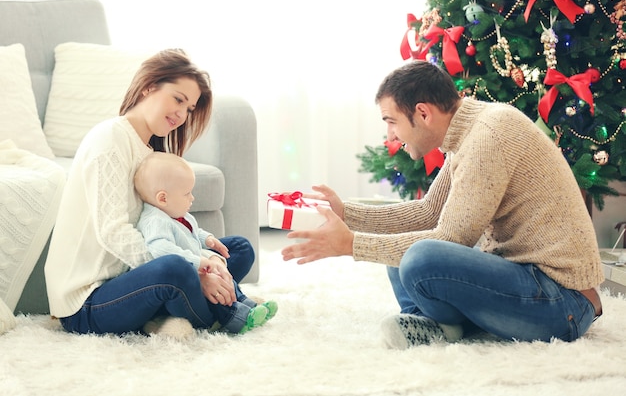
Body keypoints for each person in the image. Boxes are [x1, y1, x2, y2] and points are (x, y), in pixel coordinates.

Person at [281, 60, 604, 349]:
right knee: (408, 244)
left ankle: (438, 325)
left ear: (423, 113)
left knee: (421, 255)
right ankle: (437, 325)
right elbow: (428, 214)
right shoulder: (469, 129)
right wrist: (346, 214)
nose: (390, 135)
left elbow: (451, 238)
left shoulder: (488, 135)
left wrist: (352, 245)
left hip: (562, 302)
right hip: (529, 283)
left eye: (391, 121)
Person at [44, 48, 263, 338]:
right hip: (87, 301)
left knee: (237, 248)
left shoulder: (149, 151)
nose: (182, 114)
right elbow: (113, 233)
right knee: (175, 268)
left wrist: (208, 261)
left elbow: (168, 226)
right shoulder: (111, 139)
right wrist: (199, 270)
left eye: (189, 108)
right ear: (149, 86)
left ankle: (187, 305)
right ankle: (220, 312)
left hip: (131, 278)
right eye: (178, 99)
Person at [134, 151, 277, 334]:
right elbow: (161, 248)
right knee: (213, 285)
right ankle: (235, 318)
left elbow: (193, 231)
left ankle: (245, 303)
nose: (192, 198)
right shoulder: (155, 221)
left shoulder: (176, 213)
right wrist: (200, 262)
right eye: (187, 194)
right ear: (163, 198)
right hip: (184, 280)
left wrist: (208, 240)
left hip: (199, 267)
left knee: (236, 251)